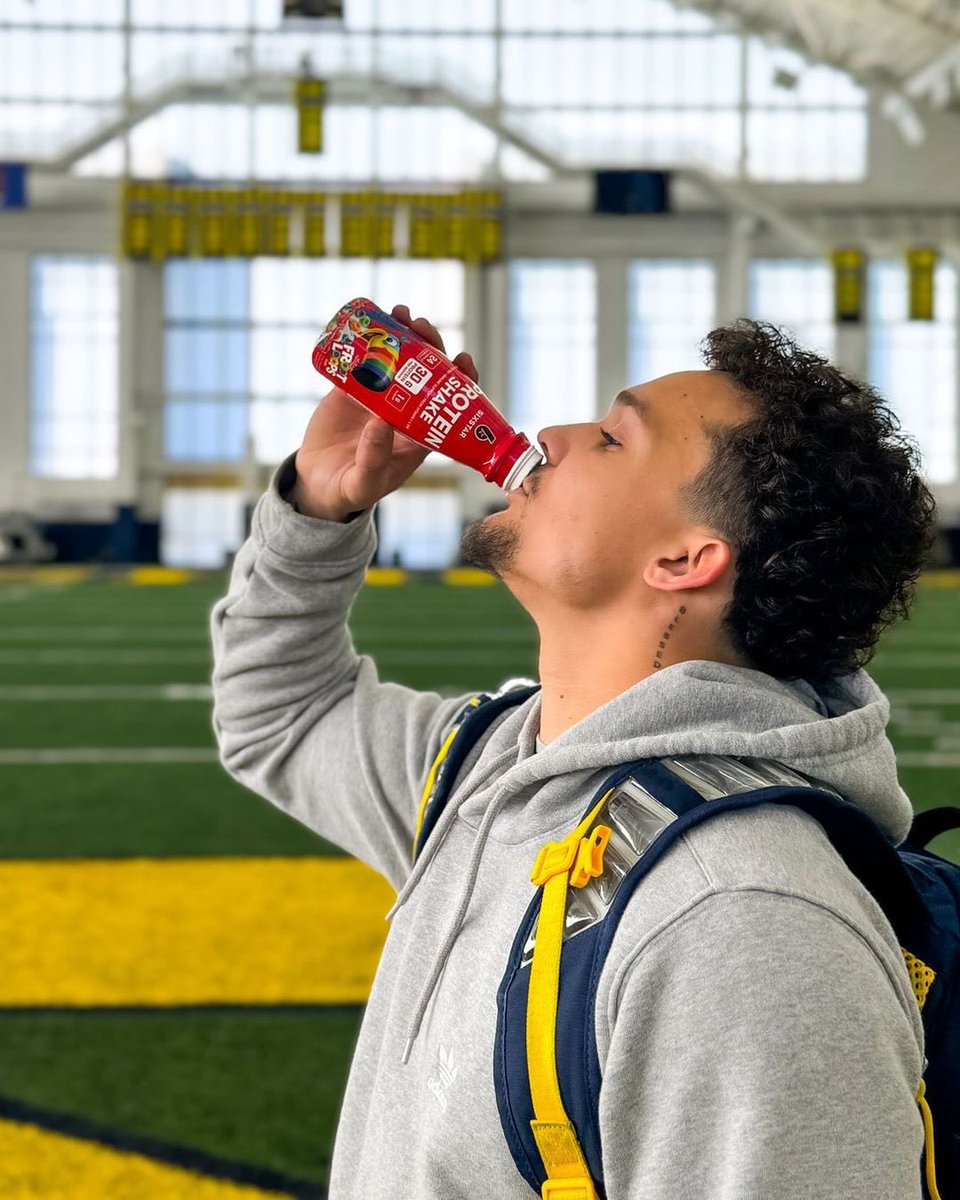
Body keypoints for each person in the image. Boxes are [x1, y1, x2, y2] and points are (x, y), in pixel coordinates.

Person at [211, 306, 935, 1198]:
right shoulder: (493, 766)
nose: (548, 437)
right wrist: (320, 504)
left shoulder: (739, 919)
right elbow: (280, 717)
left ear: (685, 558)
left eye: (608, 438)